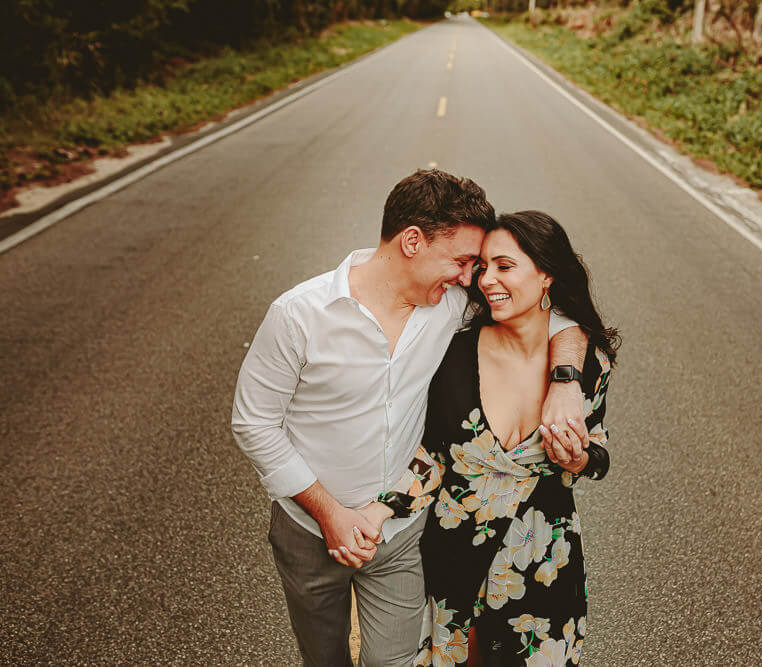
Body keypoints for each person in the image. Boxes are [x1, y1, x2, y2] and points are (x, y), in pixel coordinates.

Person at [231, 171, 590, 667]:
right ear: (413, 241)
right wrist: (330, 515)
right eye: (464, 261)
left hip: (400, 531)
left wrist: (567, 379)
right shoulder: (298, 315)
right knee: (324, 658)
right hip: (309, 529)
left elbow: (549, 312)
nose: (471, 278)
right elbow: (254, 424)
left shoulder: (450, 305)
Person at [368, 211, 619, 666]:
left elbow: (598, 451)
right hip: (453, 558)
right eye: (483, 267)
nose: (486, 280)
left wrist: (580, 460)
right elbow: (433, 457)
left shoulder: (587, 364)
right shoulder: (455, 353)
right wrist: (382, 509)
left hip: (542, 562)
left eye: (505, 266)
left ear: (546, 275)